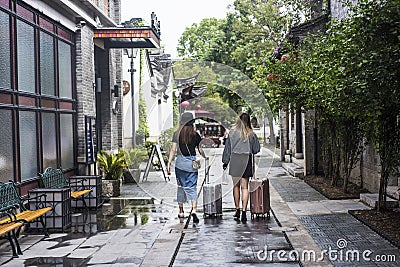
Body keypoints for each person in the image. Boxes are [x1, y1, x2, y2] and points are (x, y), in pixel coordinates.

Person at [167, 112, 207, 224]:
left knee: (181, 187)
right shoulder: (195, 134)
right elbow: (200, 149)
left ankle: (181, 211)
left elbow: (173, 150)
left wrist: (169, 163)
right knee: (192, 187)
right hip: (191, 163)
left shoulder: (176, 134)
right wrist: (205, 156)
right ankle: (193, 210)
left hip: (180, 163)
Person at [222, 113, 260, 222]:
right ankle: (244, 212)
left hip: (235, 159)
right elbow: (256, 149)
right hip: (246, 160)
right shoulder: (251, 133)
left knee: (236, 186)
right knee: (245, 187)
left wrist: (225, 162)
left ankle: (237, 209)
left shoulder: (232, 132)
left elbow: (228, 149)